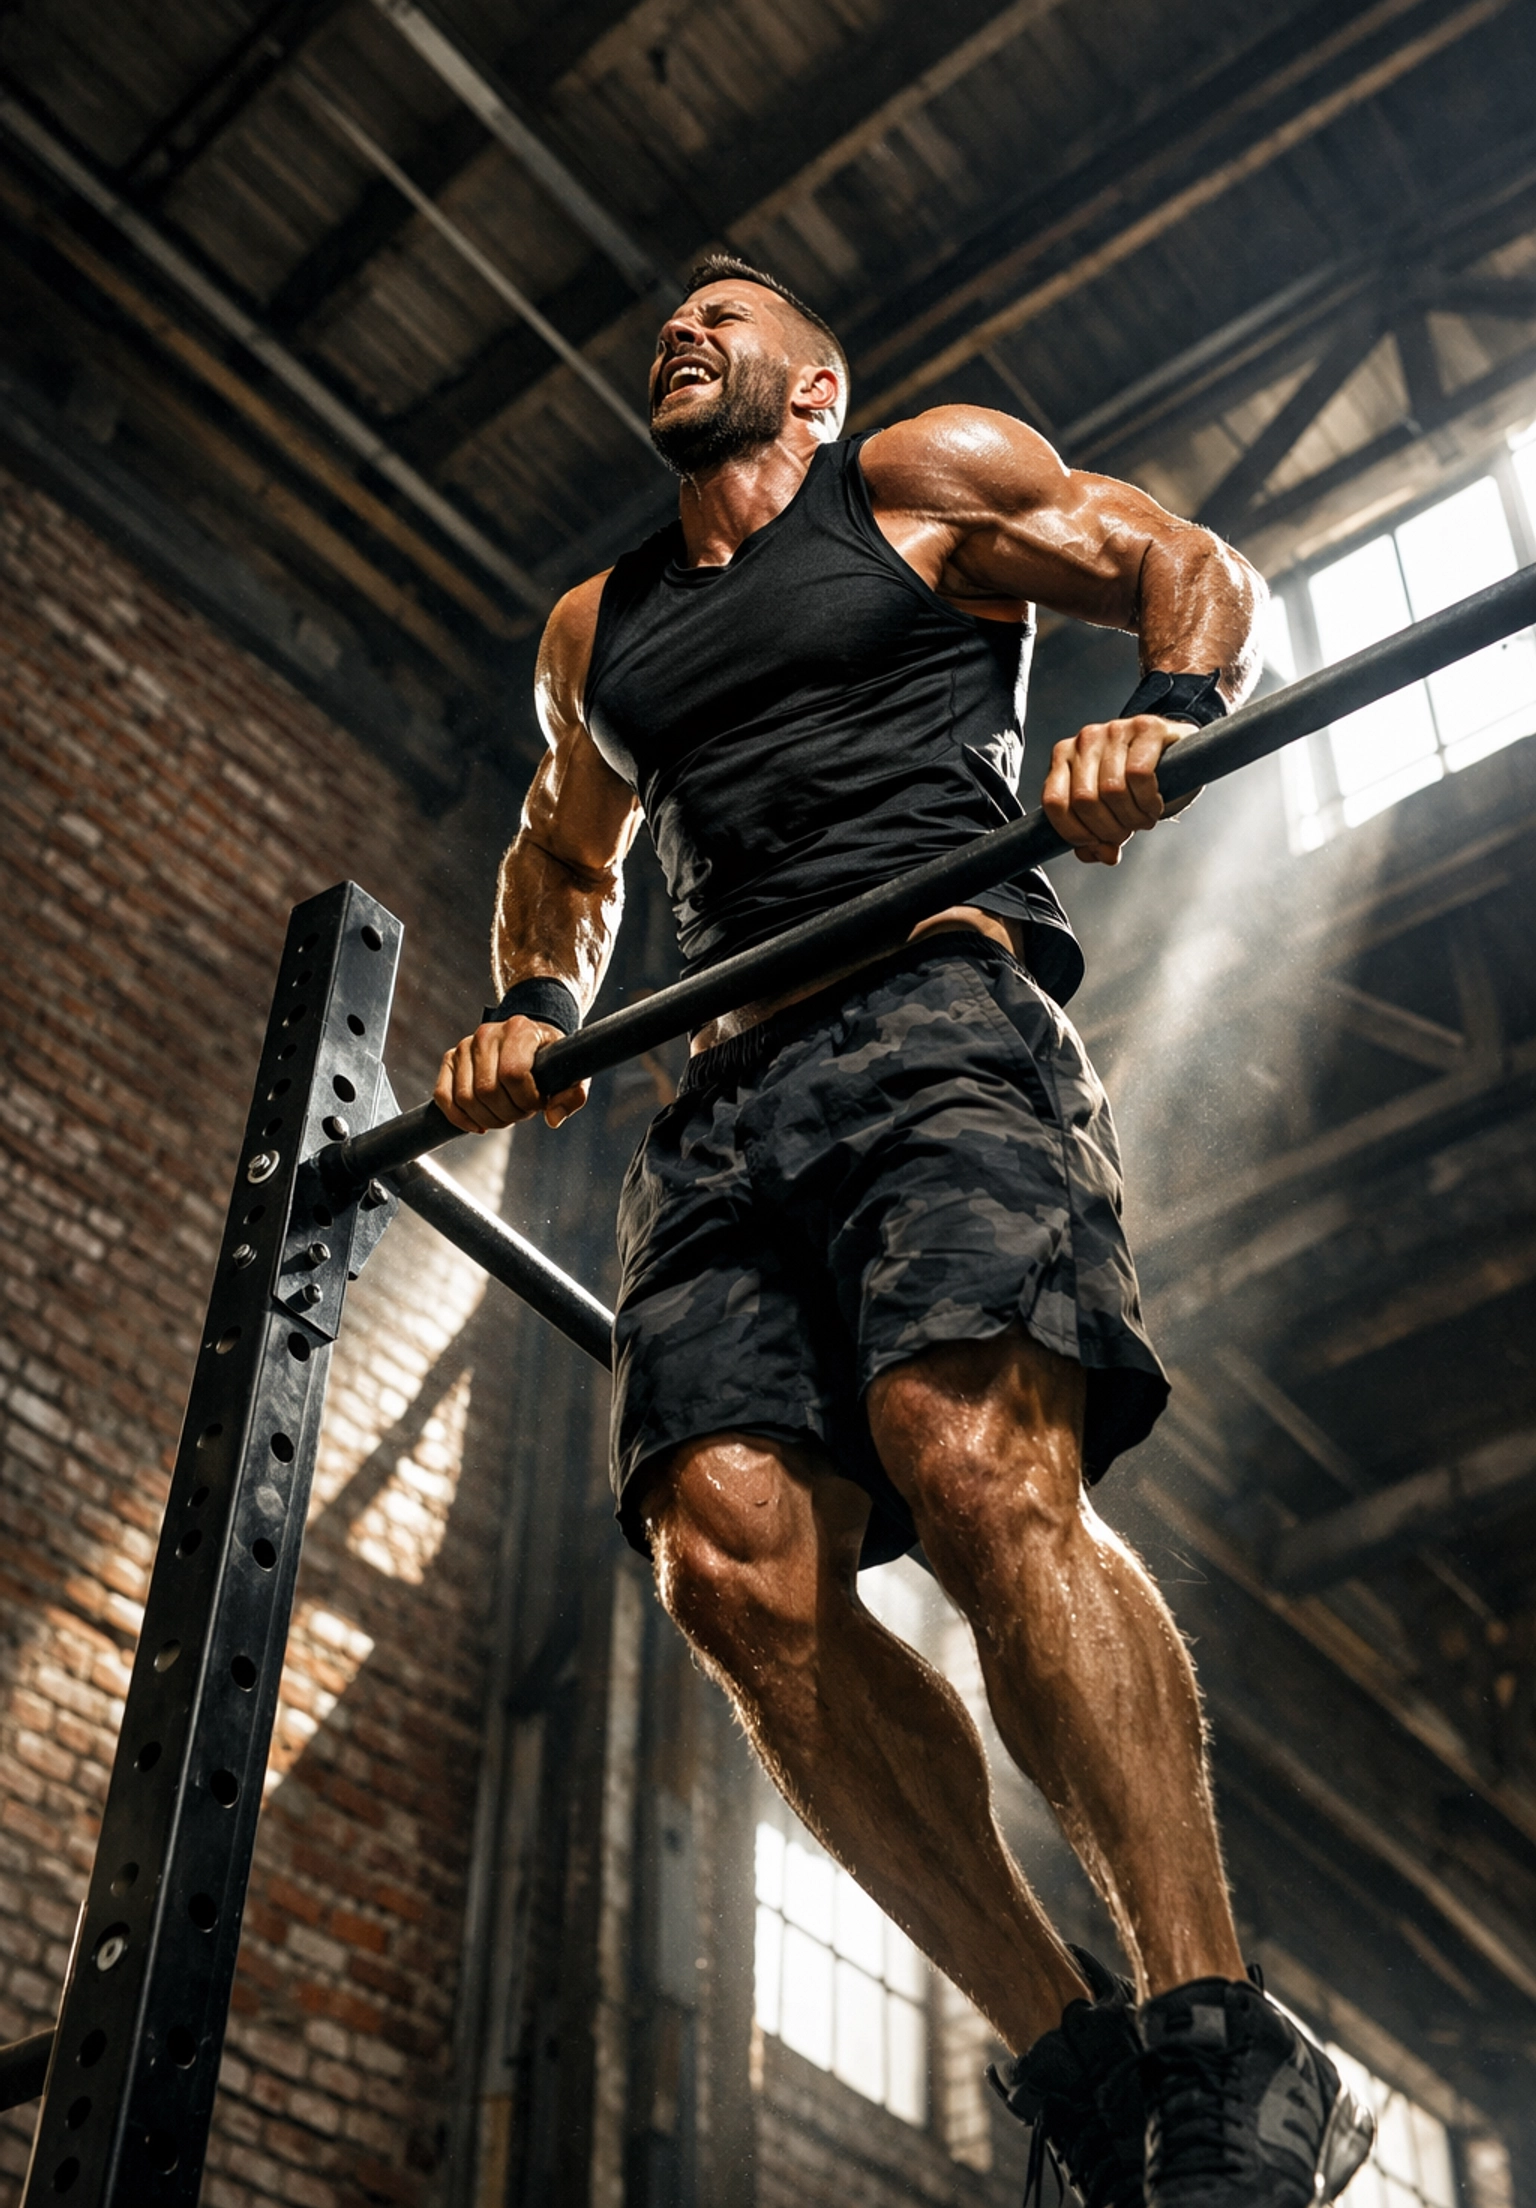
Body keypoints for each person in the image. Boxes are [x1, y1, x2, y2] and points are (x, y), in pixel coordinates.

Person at [435, 257, 1374, 2208]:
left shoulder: (922, 476)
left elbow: (1186, 563)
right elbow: (563, 849)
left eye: (730, 315)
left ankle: (1219, 2035)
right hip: (720, 1107)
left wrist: (1168, 714)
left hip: (933, 1016)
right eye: (669, 320)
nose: (684, 331)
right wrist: (535, 997)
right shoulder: (598, 627)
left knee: (969, 1458)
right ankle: (1081, 2060)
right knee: (733, 1568)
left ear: (815, 381)